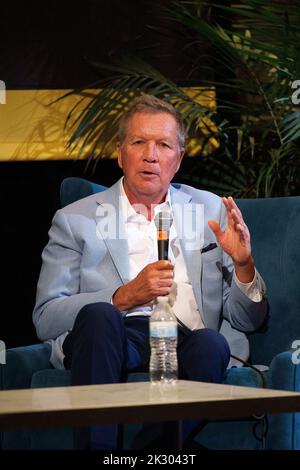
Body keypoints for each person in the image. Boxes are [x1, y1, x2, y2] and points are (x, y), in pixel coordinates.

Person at [33, 94, 268, 450]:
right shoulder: (75, 219)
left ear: (179, 159)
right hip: (115, 337)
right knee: (99, 315)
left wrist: (243, 265)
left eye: (163, 145)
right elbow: (46, 316)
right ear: (120, 151)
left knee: (212, 344)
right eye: (139, 142)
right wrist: (123, 296)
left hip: (187, 339)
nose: (150, 155)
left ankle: (145, 454)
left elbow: (248, 321)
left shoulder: (209, 210)